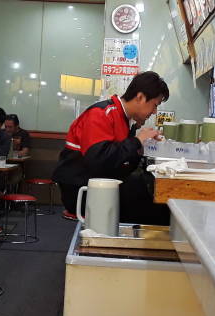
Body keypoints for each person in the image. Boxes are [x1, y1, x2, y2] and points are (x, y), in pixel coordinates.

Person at [53, 71, 169, 225]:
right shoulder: (101, 114)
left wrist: (140, 149)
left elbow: (119, 162)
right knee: (153, 208)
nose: (155, 112)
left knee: (154, 199)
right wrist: (137, 141)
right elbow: (99, 161)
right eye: (155, 105)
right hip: (81, 191)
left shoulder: (124, 119)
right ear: (140, 97)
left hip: (99, 185)